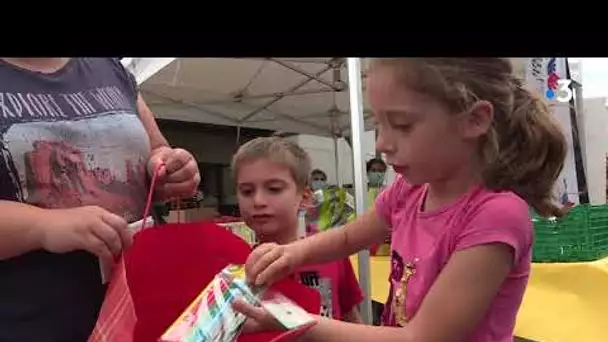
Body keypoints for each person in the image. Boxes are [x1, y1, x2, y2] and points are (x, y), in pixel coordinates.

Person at [235, 58, 567, 341]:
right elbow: (349, 237)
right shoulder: (409, 190)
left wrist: (296, 321)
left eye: (402, 125)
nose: (381, 143)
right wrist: (291, 254)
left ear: (474, 120)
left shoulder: (495, 214)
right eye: (378, 123)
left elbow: (420, 337)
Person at [0, 58, 200, 341]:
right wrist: (44, 226)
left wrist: (168, 167)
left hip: (144, 311)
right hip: (34, 322)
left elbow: (156, 148)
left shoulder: (110, 68)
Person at [232, 137, 363, 323]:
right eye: (246, 191)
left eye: (274, 189)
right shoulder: (235, 267)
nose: (258, 201)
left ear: (304, 197)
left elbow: (352, 317)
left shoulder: (330, 253)